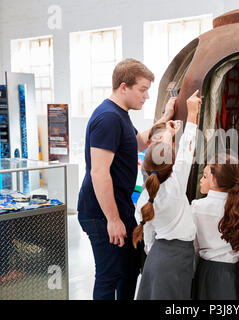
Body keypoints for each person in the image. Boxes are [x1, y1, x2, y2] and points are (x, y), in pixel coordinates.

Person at [77, 58, 176, 300]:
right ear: (124, 87)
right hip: (101, 213)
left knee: (129, 269)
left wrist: (165, 120)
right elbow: (98, 172)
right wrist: (112, 219)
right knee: (109, 275)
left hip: (120, 207)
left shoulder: (120, 115)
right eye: (142, 90)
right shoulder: (108, 118)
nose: (146, 96)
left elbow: (138, 142)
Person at [133, 89, 202, 300]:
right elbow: (187, 151)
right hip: (175, 260)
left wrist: (169, 133)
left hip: (155, 258)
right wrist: (192, 115)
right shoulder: (175, 185)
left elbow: (148, 239)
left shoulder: (145, 200)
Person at [191, 153, 239, 300]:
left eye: (205, 176)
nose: (201, 180)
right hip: (236, 273)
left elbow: (194, 246)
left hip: (207, 271)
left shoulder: (197, 207)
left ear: (213, 179)